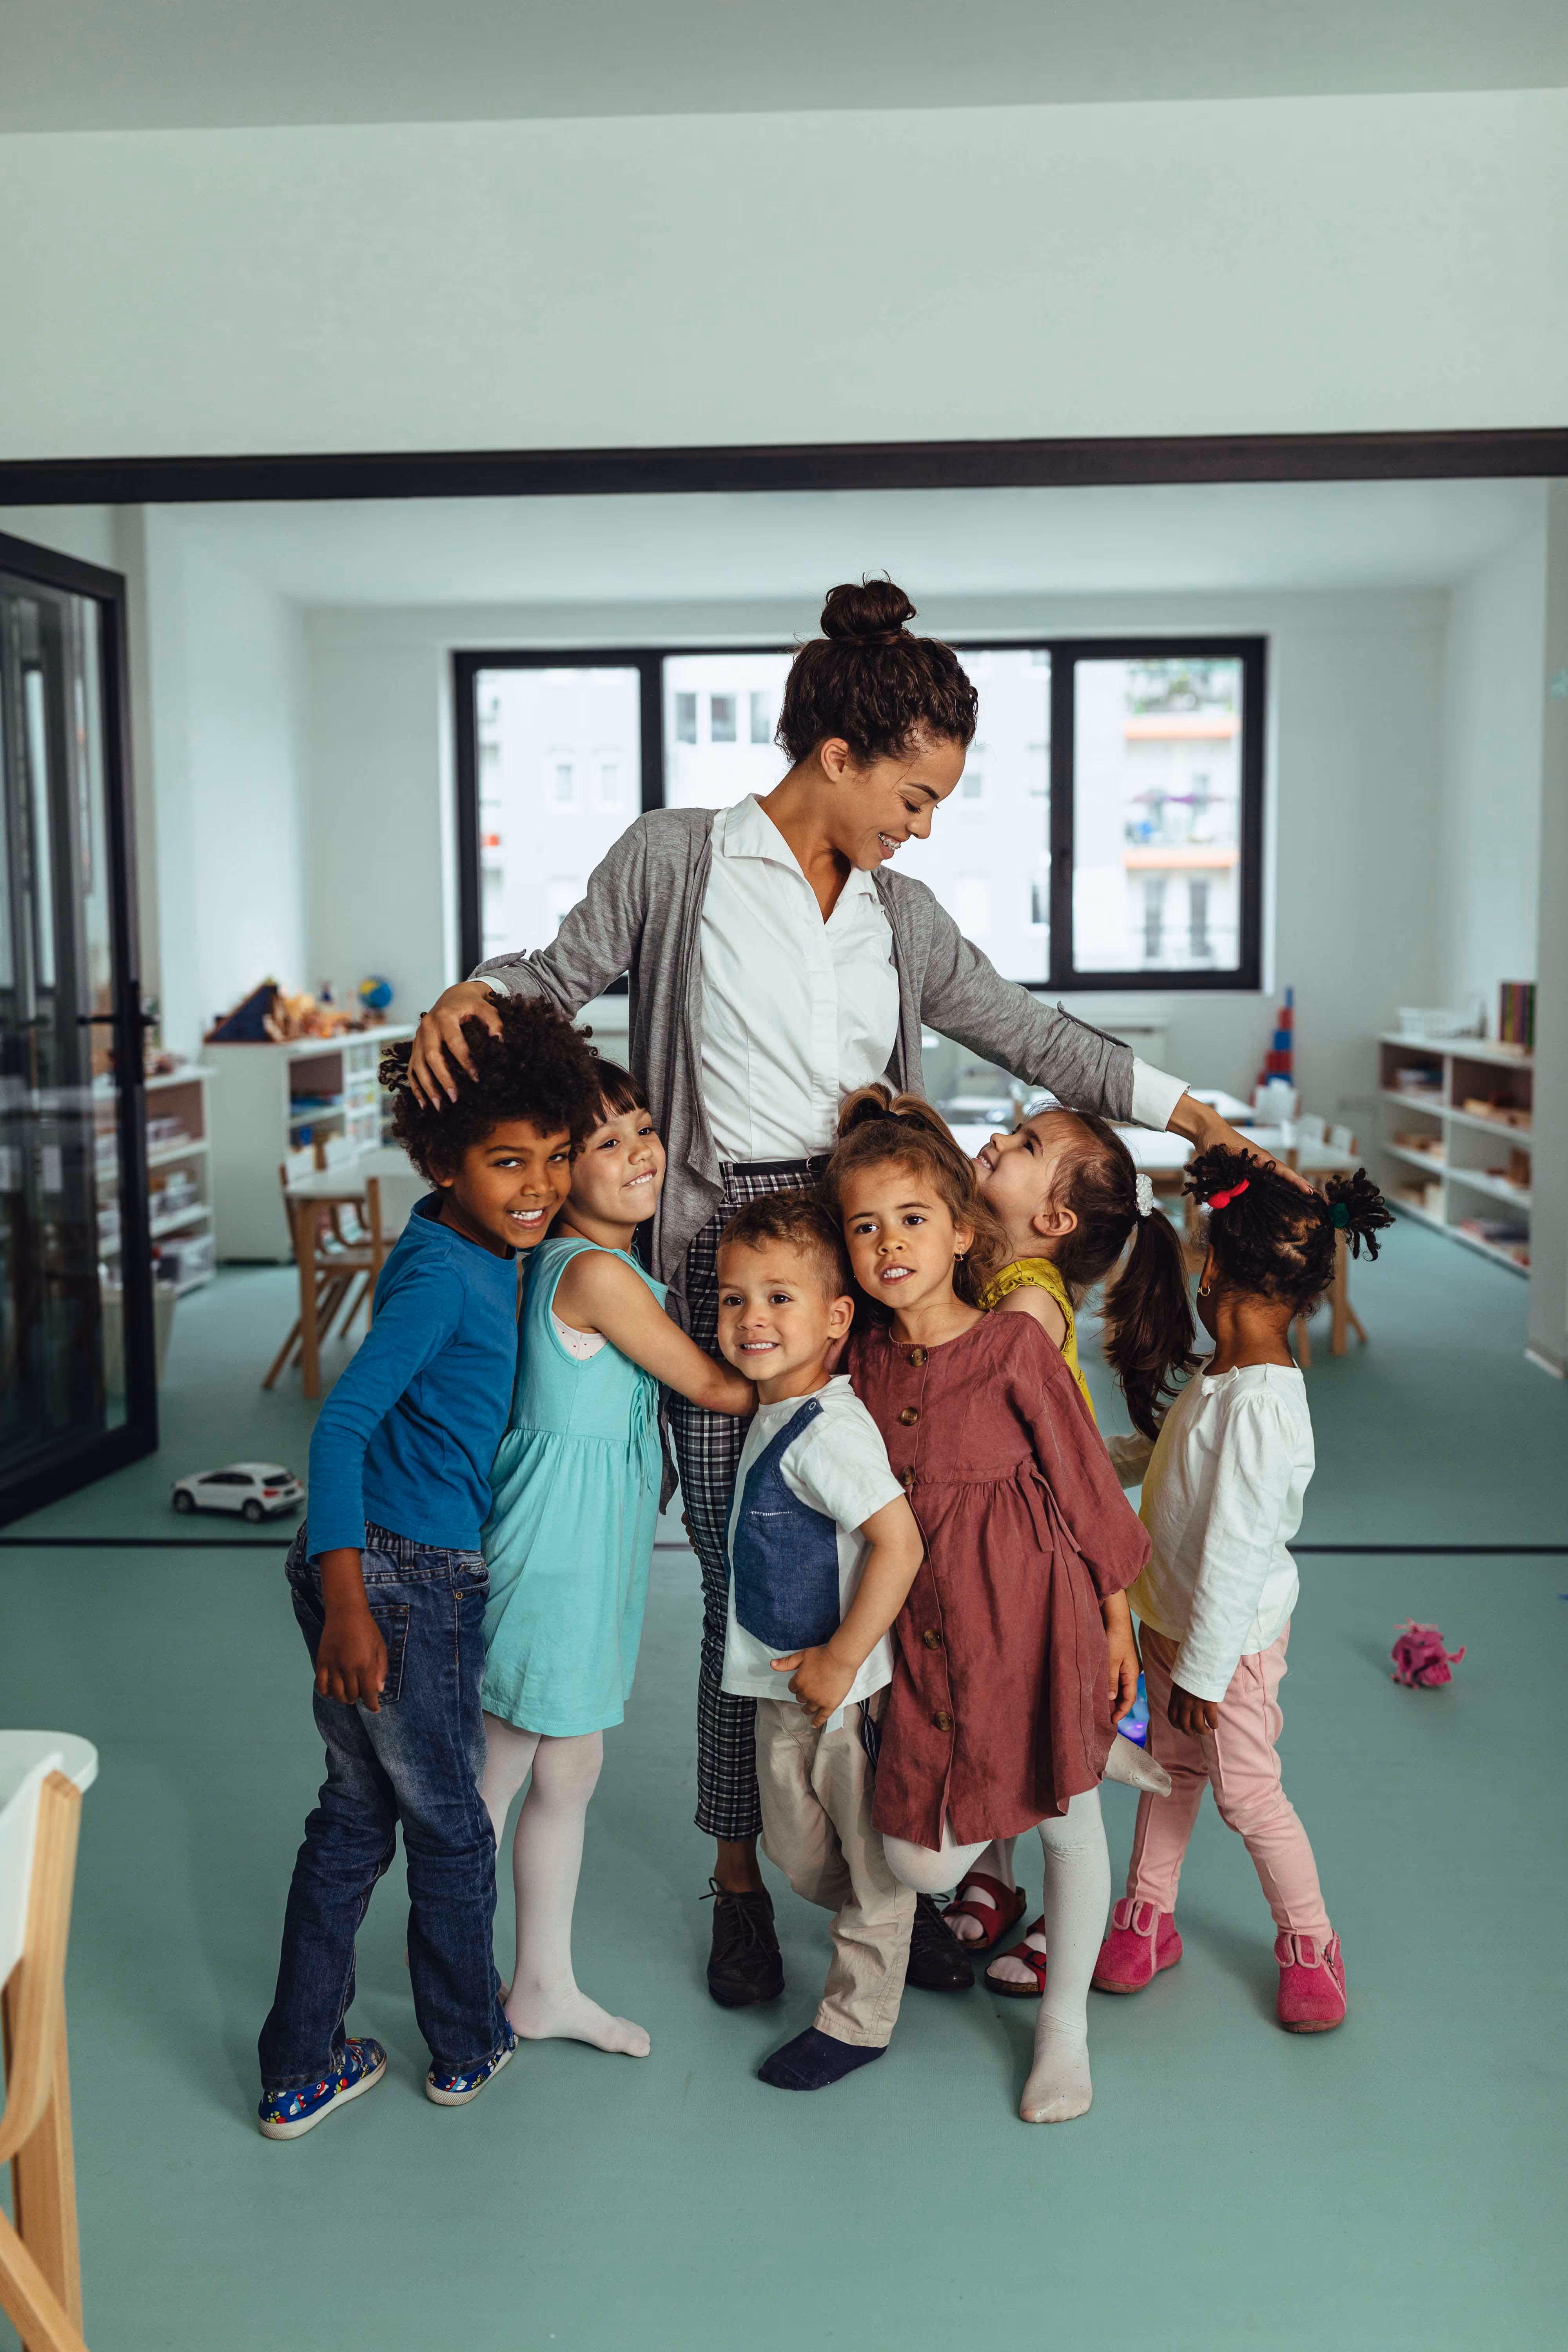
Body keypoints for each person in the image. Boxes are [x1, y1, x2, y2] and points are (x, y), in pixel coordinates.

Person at [406, 574, 1280, 2010]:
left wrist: (1191, 1117)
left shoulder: (904, 916)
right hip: (719, 1267)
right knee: (746, 1590)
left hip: (869, 1270)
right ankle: (740, 1881)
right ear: (839, 756)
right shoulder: (677, 860)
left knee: (895, 1571)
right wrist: (468, 993)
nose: (922, 825)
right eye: (917, 794)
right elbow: (551, 977)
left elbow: (1031, 1030)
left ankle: (900, 1872)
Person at [256, 999, 603, 2138]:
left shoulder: (457, 1241)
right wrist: (353, 1599)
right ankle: (466, 2045)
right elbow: (341, 1427)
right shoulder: (445, 1280)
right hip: (398, 1579)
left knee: (354, 1820)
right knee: (454, 1828)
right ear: (440, 1159)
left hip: (377, 1571)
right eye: (508, 1163)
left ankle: (301, 2062)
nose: (538, 1187)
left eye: (554, 1159)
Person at [825, 1088, 1150, 2123]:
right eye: (864, 1227)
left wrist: (1114, 1617)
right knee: (922, 1858)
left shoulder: (1014, 1344)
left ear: (962, 1230)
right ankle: (1047, 1798)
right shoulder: (865, 1358)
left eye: (913, 1221)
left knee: (1066, 1813)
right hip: (928, 1631)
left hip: (1037, 1612)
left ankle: (1064, 2031)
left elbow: (1088, 1487)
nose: (888, 1246)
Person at [477, 1063, 753, 2060]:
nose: (640, 1152)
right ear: (560, 1174)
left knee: (570, 1766)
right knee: (494, 1778)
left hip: (594, 1560)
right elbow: (717, 1391)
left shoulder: (621, 1272)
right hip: (550, 1558)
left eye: (642, 1129)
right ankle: (458, 1987)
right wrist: (814, 1360)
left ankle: (539, 1985)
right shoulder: (589, 1274)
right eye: (606, 1144)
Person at [1093, 1145, 1391, 2033]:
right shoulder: (1221, 1375)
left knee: (1246, 1794)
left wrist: (1203, 1675)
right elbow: (1167, 1461)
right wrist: (1090, 1461)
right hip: (1173, 1625)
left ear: (1213, 1265)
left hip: (1226, 1648)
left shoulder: (1261, 1407)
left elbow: (1234, 1550)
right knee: (1168, 1773)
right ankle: (1147, 1916)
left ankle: (1309, 1940)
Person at [941, 1107, 1196, 1989]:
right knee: (990, 1724)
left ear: (1052, 1224)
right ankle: (992, 1880)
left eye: (1022, 1148)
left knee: (1051, 1757)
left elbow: (1072, 1476)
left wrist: (1109, 1612)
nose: (998, 1143)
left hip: (1049, 1564)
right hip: (997, 1557)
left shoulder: (1022, 1307)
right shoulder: (986, 1272)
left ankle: (1067, 1917)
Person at [713, 1192, 925, 2089]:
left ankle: (856, 2020)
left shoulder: (828, 1430)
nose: (752, 1317)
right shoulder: (768, 1412)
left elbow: (899, 1540)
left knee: (870, 1868)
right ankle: (901, 1923)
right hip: (778, 1689)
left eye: (778, 1297)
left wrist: (842, 1660)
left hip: (846, 1696)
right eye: (732, 1299)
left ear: (837, 1319)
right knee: (799, 1856)